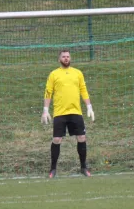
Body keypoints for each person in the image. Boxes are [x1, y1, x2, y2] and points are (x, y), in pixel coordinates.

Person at [41, 50, 95, 178]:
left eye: (68, 56)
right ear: (59, 59)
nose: (66, 58)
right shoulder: (54, 74)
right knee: (56, 139)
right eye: (63, 57)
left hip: (75, 111)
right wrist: (45, 110)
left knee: (82, 137)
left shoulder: (77, 73)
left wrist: (89, 107)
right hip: (60, 113)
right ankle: (53, 169)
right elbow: (48, 92)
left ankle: (84, 167)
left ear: (70, 58)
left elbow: (83, 90)